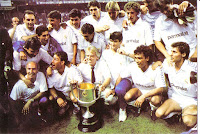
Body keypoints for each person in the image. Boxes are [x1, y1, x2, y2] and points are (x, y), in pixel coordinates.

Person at [115, 45, 166, 122]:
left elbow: (161, 89)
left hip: (152, 93)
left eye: (140, 58)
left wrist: (144, 96)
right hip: (139, 91)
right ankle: (139, 106)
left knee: (156, 100)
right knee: (127, 97)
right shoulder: (132, 66)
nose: (137, 61)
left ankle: (153, 109)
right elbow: (120, 76)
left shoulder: (156, 68)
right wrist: (115, 90)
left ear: (147, 58)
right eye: (135, 58)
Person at [155, 42, 197, 128]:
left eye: (174, 52)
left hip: (191, 101)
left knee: (188, 122)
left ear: (183, 54)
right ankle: (177, 114)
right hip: (176, 99)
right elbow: (161, 68)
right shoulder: (168, 65)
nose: (170, 54)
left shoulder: (193, 70)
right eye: (171, 51)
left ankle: (188, 114)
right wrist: (158, 63)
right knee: (159, 113)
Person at [9, 61, 48, 130]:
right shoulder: (19, 85)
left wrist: (30, 100)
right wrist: (17, 116)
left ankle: (42, 115)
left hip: (33, 101)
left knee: (44, 100)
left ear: (37, 69)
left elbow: (43, 91)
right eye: (29, 69)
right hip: (23, 104)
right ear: (26, 70)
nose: (31, 71)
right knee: (25, 125)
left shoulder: (40, 75)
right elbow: (13, 101)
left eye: (34, 69)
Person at [47, 51, 83, 116]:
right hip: (60, 93)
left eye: (55, 59)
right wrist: (57, 98)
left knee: (74, 98)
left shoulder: (72, 69)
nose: (52, 61)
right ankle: (63, 106)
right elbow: (51, 88)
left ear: (62, 62)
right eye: (53, 59)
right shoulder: (50, 72)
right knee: (50, 98)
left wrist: (74, 86)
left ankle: (76, 105)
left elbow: (81, 83)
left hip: (70, 91)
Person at [0, 26, 13, 133]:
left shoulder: (3, 31)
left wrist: (7, 62)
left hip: (2, 72)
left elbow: (9, 48)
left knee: (4, 98)